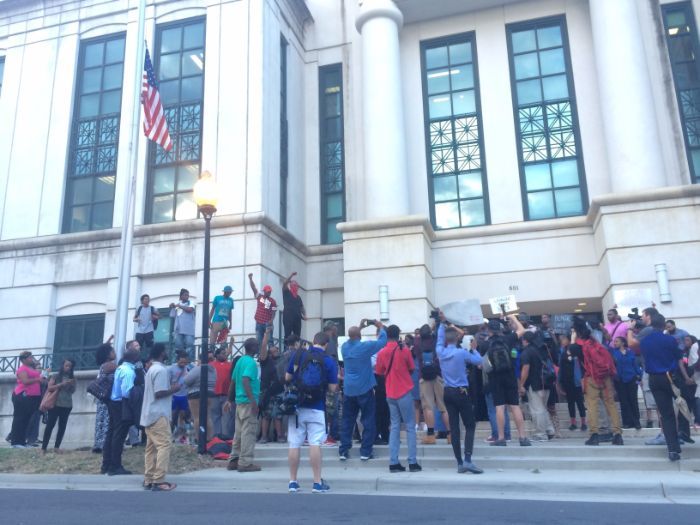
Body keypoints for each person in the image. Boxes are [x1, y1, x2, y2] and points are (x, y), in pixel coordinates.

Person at [286, 332, 339, 493]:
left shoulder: (298, 355)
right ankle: (317, 483)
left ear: (313, 341)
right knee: (315, 443)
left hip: (297, 407)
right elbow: (332, 388)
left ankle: (293, 482)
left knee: (294, 443)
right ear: (326, 344)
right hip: (317, 407)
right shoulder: (329, 361)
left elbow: (287, 377)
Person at [435, 311, 483, 474]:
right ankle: (468, 459)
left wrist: (442, 323)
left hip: (447, 392)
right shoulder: (462, 353)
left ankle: (459, 462)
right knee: (469, 425)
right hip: (461, 392)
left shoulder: (440, 352)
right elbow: (479, 362)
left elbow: (439, 339)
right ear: (457, 338)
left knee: (454, 428)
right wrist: (474, 350)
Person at [375, 325, 422, 473]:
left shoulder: (382, 352)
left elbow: (379, 371)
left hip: (390, 392)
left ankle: (394, 462)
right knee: (409, 426)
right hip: (404, 390)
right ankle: (412, 461)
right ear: (398, 335)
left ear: (387, 335)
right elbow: (411, 368)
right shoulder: (404, 350)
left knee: (394, 426)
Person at [338, 319, 387, 461]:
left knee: (347, 421)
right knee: (368, 420)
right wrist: (379, 326)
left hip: (348, 390)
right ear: (359, 336)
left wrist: (359, 327)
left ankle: (343, 450)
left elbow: (352, 337)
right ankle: (365, 451)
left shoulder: (345, 348)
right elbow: (382, 341)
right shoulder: (365, 347)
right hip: (364, 389)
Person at [225, 327, 270, 472]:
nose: (258, 348)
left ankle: (234, 460)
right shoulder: (250, 363)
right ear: (253, 348)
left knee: (238, 433)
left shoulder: (239, 361)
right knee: (248, 433)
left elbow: (233, 382)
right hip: (248, 402)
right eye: (257, 346)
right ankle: (245, 463)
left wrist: (228, 399)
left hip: (239, 402)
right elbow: (245, 380)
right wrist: (253, 401)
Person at [573, 319, 623, 447]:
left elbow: (571, 351)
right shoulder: (595, 342)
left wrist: (573, 336)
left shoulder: (577, 345)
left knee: (592, 407)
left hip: (591, 377)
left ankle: (594, 435)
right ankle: (618, 435)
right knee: (611, 405)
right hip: (605, 377)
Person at [484, 318, 530, 446]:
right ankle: (522, 437)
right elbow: (522, 330)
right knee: (515, 406)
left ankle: (501, 438)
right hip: (510, 377)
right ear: (500, 329)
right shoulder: (509, 339)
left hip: (495, 378)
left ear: (489, 331)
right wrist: (514, 318)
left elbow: (483, 365)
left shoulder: (485, 344)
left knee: (499, 407)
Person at [141, 343, 179, 491]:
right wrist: (174, 389)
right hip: (158, 414)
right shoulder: (161, 370)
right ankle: (159, 481)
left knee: (150, 448)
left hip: (149, 413)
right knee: (164, 445)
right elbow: (159, 392)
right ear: (162, 353)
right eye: (166, 350)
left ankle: (149, 478)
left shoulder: (151, 369)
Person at [103, 341, 141, 475]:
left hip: (114, 402)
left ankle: (106, 464)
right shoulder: (129, 372)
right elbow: (127, 392)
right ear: (135, 359)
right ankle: (115, 466)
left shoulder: (120, 368)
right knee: (119, 436)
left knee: (111, 433)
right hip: (121, 404)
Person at [414, 324, 450, 445]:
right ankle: (450, 435)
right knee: (443, 406)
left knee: (428, 407)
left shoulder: (418, 343)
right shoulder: (436, 342)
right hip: (438, 375)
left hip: (424, 377)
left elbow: (415, 350)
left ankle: (430, 435)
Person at [518, 331, 555, 441]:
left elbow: (525, 369)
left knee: (537, 410)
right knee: (542, 408)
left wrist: (521, 385)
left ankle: (540, 434)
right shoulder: (542, 349)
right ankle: (549, 430)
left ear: (525, 340)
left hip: (535, 385)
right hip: (547, 383)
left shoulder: (527, 352)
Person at [10, 351, 47, 448]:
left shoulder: (32, 368)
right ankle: (15, 442)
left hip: (33, 396)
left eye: (32, 357)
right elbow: (25, 381)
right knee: (19, 418)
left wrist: (43, 374)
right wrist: (38, 379)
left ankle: (22, 441)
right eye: (30, 357)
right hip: (22, 395)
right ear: (23, 360)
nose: (32, 359)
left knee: (27, 419)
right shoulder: (22, 369)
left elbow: (40, 376)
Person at [41, 359, 76, 452]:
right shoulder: (55, 376)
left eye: (70, 366)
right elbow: (50, 387)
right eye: (66, 365)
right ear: (62, 366)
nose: (68, 368)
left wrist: (70, 385)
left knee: (62, 426)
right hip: (55, 404)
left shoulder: (72, 377)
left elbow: (72, 391)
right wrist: (61, 384)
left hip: (67, 405)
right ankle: (43, 447)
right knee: (50, 425)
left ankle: (57, 446)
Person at [184, 350, 217, 443]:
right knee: (208, 417)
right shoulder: (213, 370)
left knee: (197, 417)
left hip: (195, 394)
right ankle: (210, 438)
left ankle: (199, 439)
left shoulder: (198, 369)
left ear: (200, 359)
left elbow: (186, 381)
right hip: (210, 393)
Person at [558, 333, 586, 431]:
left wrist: (582, 379)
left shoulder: (576, 350)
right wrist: (560, 382)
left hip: (576, 380)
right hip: (567, 381)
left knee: (580, 402)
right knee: (570, 402)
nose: (562, 341)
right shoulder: (562, 352)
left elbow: (580, 365)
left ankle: (583, 422)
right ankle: (573, 422)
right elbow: (561, 368)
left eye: (564, 339)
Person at [612, 337, 642, 430]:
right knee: (624, 401)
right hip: (620, 380)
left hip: (632, 379)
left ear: (622, 343)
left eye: (617, 341)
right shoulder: (614, 353)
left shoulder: (630, 353)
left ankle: (636, 421)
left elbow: (635, 365)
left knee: (633, 400)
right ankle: (627, 422)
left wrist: (639, 376)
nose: (615, 343)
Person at [93, 343, 117, 453]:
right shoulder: (109, 366)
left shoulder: (104, 365)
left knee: (101, 421)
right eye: (112, 351)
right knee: (106, 421)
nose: (114, 353)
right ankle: (104, 444)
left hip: (103, 397)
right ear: (107, 354)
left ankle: (99, 444)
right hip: (107, 397)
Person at [259, 342, 284, 443]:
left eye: (277, 350)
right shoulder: (265, 361)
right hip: (267, 392)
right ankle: (264, 436)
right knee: (266, 415)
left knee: (278, 416)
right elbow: (263, 348)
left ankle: (279, 436)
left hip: (279, 391)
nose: (276, 352)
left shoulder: (281, 361)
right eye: (274, 350)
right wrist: (266, 336)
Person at [210, 346, 234, 440]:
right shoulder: (211, 365)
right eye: (223, 353)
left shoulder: (230, 364)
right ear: (217, 355)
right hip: (214, 394)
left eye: (225, 353)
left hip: (226, 394)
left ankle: (225, 435)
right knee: (215, 416)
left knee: (226, 416)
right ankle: (216, 435)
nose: (225, 355)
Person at [248, 273, 278, 348]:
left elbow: (274, 311)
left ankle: (271, 354)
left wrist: (272, 319)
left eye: (270, 291)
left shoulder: (272, 301)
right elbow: (253, 288)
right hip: (259, 322)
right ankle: (259, 356)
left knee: (270, 340)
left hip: (267, 322)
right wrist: (251, 279)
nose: (269, 293)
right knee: (259, 340)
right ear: (264, 291)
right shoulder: (260, 297)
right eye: (268, 291)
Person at [169, 351, 192, 442]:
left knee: (183, 416)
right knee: (172, 417)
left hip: (184, 395)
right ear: (177, 360)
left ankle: (180, 436)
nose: (183, 364)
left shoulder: (189, 368)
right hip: (174, 396)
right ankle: (169, 436)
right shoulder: (171, 369)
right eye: (181, 362)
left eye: (185, 362)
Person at [170, 289, 196, 360]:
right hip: (178, 330)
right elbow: (172, 315)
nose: (187, 296)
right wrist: (172, 307)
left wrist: (180, 306)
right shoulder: (177, 304)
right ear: (181, 296)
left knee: (189, 347)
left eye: (187, 295)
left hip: (189, 330)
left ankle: (190, 362)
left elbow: (190, 310)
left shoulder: (191, 302)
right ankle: (179, 361)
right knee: (178, 347)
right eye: (185, 295)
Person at [282, 271, 307, 338]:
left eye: (297, 286)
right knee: (288, 335)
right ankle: (286, 348)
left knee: (297, 336)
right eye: (294, 285)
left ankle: (296, 347)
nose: (296, 287)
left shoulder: (298, 298)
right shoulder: (287, 293)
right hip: (288, 318)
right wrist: (291, 275)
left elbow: (302, 307)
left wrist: (304, 315)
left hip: (297, 318)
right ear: (291, 286)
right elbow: (284, 284)